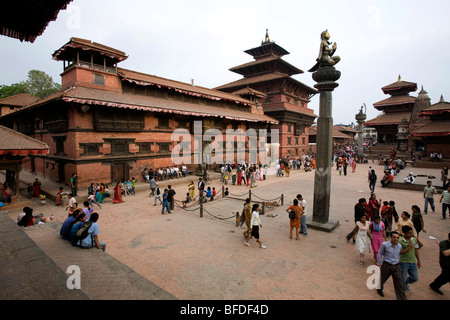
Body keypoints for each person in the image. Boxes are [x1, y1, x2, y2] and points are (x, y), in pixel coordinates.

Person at [376, 231, 407, 300]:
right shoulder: (385, 245)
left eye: (397, 238)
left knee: (399, 284)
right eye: (394, 237)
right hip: (386, 265)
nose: (396, 239)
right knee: (382, 279)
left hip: (396, 266)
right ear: (391, 237)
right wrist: (379, 263)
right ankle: (379, 288)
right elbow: (380, 253)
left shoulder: (399, 246)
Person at [399, 225, 421, 291]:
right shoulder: (400, 241)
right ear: (404, 233)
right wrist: (409, 247)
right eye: (409, 233)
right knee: (403, 278)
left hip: (413, 262)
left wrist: (418, 260)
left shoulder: (413, 240)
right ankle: (402, 289)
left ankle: (405, 283)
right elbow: (400, 252)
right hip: (403, 262)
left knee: (415, 277)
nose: (411, 234)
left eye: (411, 233)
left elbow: (416, 250)